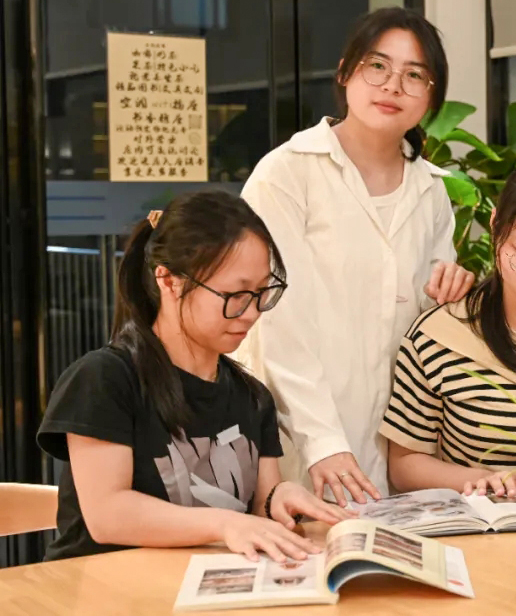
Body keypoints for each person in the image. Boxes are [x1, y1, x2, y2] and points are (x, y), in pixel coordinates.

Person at [235, 8, 475, 506]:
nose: (392, 86)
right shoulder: (287, 173)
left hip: (399, 445)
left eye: (414, 75)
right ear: (345, 72)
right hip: (298, 438)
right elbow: (275, 319)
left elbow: (426, 326)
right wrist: (322, 441)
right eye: (377, 66)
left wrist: (451, 290)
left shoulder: (431, 190)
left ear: (431, 97)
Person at [38, 191, 349, 561]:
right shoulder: (104, 380)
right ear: (169, 281)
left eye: (262, 292)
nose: (252, 312)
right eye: (235, 294)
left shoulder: (252, 396)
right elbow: (108, 515)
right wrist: (223, 524)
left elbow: (258, 509)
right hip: (99, 585)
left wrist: (278, 497)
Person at [379, 157, 516, 497]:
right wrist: (481, 480)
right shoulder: (438, 337)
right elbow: (405, 463)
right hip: (479, 523)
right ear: (495, 227)